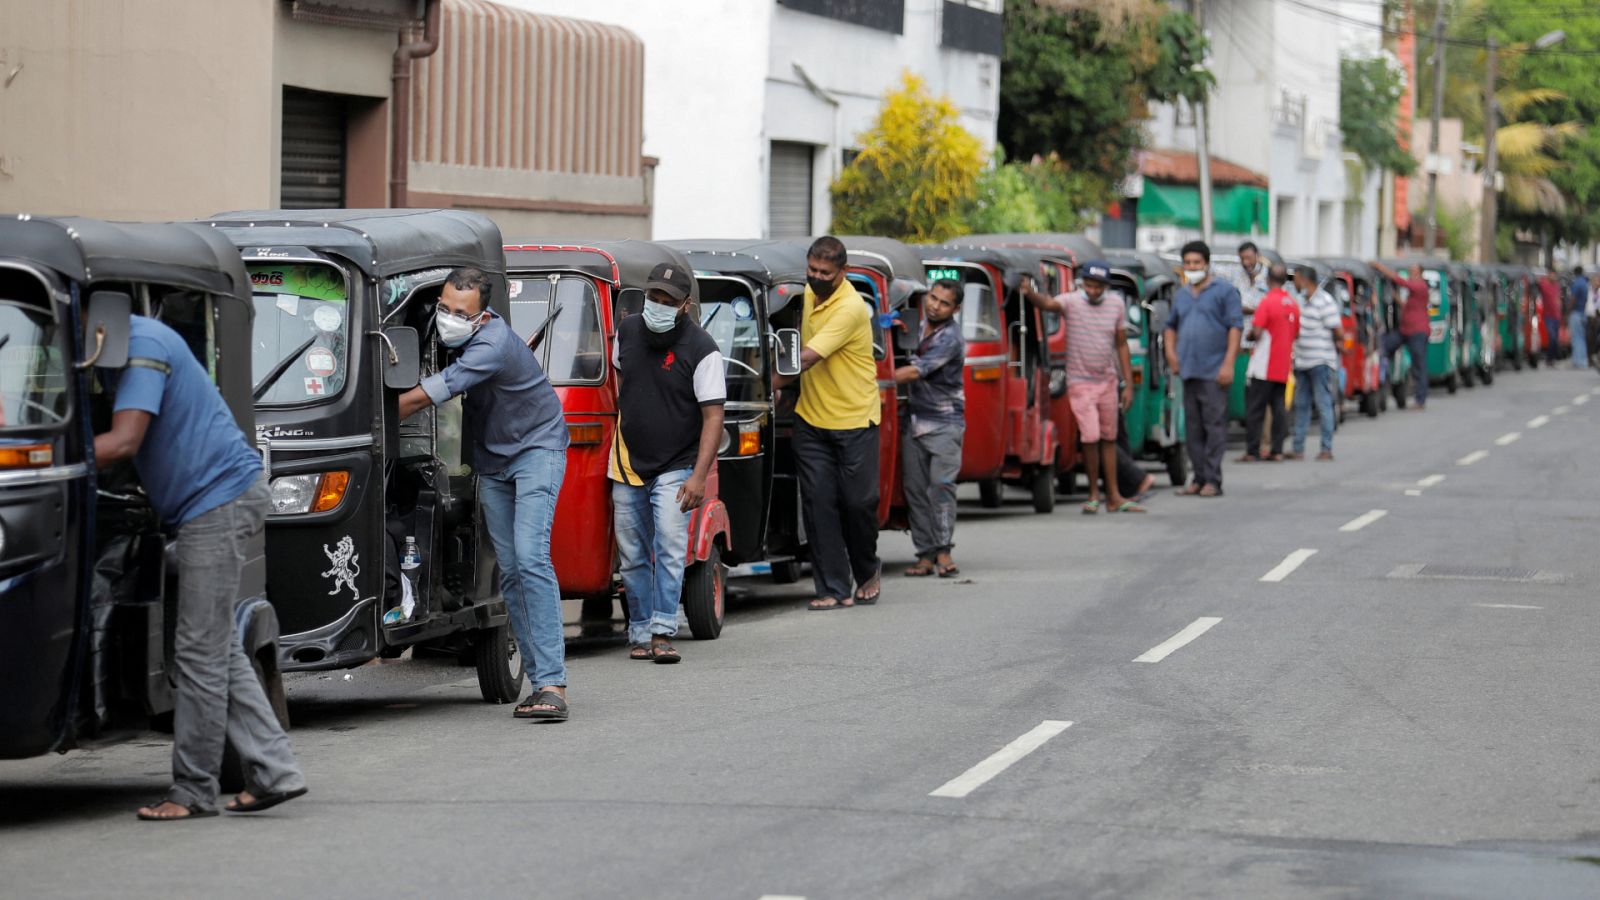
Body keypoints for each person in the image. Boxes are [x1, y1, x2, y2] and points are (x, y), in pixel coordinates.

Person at [94, 314, 306, 821]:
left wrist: (38, 455)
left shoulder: (143, 343)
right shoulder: (119, 345)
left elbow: (123, 441)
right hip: (212, 501)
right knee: (216, 645)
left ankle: (192, 790)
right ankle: (275, 771)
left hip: (217, 502)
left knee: (197, 651)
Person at [397, 267, 572, 721]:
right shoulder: (449, 332)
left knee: (531, 559)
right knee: (510, 571)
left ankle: (553, 685)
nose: (449, 318)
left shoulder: (491, 345)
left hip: (537, 450)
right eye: (445, 308)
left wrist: (362, 417)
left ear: (482, 316)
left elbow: (425, 397)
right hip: (493, 461)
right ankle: (540, 681)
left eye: (461, 313)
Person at [609, 263, 725, 663]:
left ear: (685, 305)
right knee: (632, 556)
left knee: (671, 547)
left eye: (668, 301)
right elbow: (622, 382)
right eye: (653, 298)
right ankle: (640, 631)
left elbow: (713, 417)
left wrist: (698, 477)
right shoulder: (626, 331)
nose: (658, 306)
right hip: (627, 462)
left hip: (678, 464)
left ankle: (662, 631)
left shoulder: (703, 348)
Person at [775, 236, 882, 611]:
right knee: (818, 505)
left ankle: (866, 570)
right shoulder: (806, 293)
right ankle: (833, 588)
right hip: (811, 420)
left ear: (843, 272)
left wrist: (766, 384)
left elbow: (805, 358)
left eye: (825, 273)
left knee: (858, 504)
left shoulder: (850, 308)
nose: (817, 277)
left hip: (855, 419)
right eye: (812, 270)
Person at [1021, 261, 1144, 513]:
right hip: (1080, 382)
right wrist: (1029, 292)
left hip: (1108, 381)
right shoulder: (1071, 301)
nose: (1093, 291)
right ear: (1082, 284)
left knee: (1108, 438)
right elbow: (1048, 304)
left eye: (1098, 287)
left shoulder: (1116, 305)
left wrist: (1128, 385)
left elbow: (1121, 344)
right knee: (1090, 436)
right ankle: (1093, 494)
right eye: (1089, 285)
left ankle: (1113, 495)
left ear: (1106, 286)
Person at [895, 279, 966, 577]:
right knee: (915, 491)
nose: (935, 306)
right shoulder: (915, 326)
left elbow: (916, 370)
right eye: (933, 298)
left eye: (944, 303)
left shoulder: (951, 338)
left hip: (944, 424)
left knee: (941, 488)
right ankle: (925, 555)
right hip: (913, 421)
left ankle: (944, 552)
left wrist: (871, 378)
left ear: (955, 309)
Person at [1164, 241, 1242, 497]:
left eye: (1196, 263)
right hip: (1188, 370)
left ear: (1206, 264)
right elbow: (1170, 326)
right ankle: (1198, 478)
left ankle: (1213, 480)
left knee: (1214, 426)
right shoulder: (1182, 294)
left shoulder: (1225, 291)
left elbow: (1235, 327)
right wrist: (1171, 354)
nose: (1192, 267)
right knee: (1193, 428)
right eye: (1187, 263)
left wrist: (1228, 363)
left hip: (1214, 371)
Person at [1239, 264, 1299, 462]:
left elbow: (1256, 332)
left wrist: (1249, 334)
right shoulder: (1292, 303)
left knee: (1255, 409)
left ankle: (1252, 451)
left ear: (1268, 280)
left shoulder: (1267, 302)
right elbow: (1296, 333)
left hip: (1263, 366)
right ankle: (1277, 450)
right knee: (1278, 408)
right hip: (1283, 366)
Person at [1287, 266, 1344, 461]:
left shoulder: (1325, 301)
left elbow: (1338, 331)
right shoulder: (1300, 301)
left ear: (1304, 280)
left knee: (1323, 404)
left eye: (1296, 279)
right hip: (1302, 361)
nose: (1294, 283)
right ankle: (1298, 448)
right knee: (1301, 405)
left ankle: (1326, 448)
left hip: (1321, 361)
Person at [1372, 261, 1431, 410]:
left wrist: (1380, 267)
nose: (1410, 273)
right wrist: (1394, 296)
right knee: (1384, 346)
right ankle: (1384, 381)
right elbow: (1407, 306)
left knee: (1419, 365)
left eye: (1413, 271)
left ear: (1419, 273)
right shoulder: (1414, 293)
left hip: (1417, 332)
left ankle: (1420, 399)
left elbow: (1400, 281)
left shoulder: (1420, 286)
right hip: (1405, 331)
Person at [1538, 270, 1563, 365]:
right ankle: (1549, 358)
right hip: (1548, 316)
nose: (1553, 277)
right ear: (1548, 275)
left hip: (1557, 315)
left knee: (1555, 338)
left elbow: (1558, 298)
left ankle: (1551, 358)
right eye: (1551, 275)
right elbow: (1539, 282)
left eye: (1554, 275)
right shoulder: (1544, 284)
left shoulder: (1557, 286)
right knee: (1552, 337)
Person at [1568, 266, 1589, 368]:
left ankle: (1577, 361)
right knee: (1582, 338)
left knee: (1576, 338)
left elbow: (1573, 298)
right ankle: (1583, 361)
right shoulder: (1585, 283)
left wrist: (1568, 310)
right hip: (1584, 313)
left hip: (1576, 312)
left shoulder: (1576, 283)